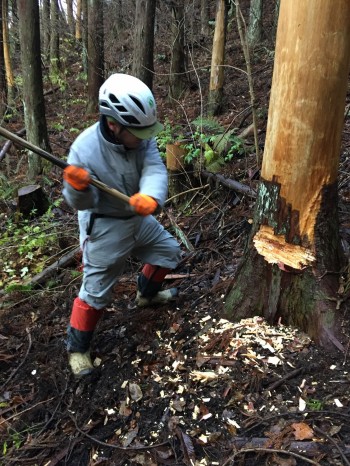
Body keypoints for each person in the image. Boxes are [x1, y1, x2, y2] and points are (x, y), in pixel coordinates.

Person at [62, 73, 182, 377]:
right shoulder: (83, 150)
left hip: (138, 218)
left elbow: (154, 165)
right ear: (114, 124)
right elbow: (82, 203)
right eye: (137, 132)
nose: (144, 137)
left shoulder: (140, 136)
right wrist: (77, 188)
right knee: (96, 291)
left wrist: (150, 195)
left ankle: (147, 294)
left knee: (168, 250)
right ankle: (77, 349)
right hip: (105, 227)